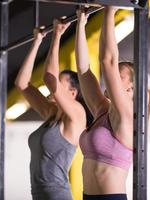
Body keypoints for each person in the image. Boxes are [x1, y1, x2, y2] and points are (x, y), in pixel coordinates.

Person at [76, 7, 150, 200]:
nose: (110, 78)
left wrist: (110, 11)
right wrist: (80, 24)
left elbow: (107, 60)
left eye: (118, 77)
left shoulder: (128, 115)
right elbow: (83, 69)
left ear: (131, 89)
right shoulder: (102, 110)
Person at [15, 18, 91, 200]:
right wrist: (37, 42)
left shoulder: (77, 115)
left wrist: (57, 34)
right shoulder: (51, 114)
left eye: (60, 81)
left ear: (72, 93)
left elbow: (49, 79)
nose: (54, 83)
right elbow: (22, 83)